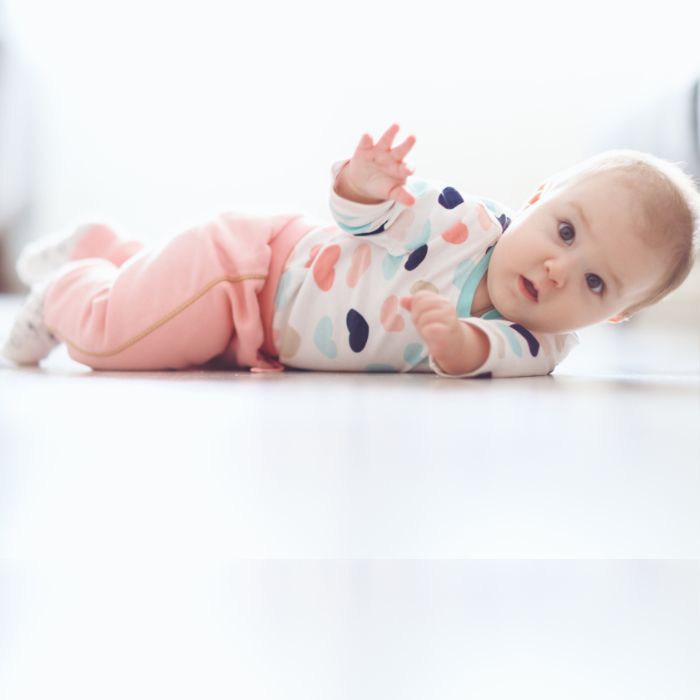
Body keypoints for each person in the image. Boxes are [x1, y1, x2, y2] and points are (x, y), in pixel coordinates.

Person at [2, 124, 699, 377]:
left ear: (614, 317)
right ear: (538, 198)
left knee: (155, 304)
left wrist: (455, 341)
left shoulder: (540, 344)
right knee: (109, 341)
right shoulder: (465, 224)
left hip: (258, 329)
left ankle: (111, 249)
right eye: (566, 233)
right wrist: (362, 188)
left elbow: (472, 356)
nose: (558, 270)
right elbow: (368, 221)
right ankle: (70, 289)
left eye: (598, 284)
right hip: (247, 271)